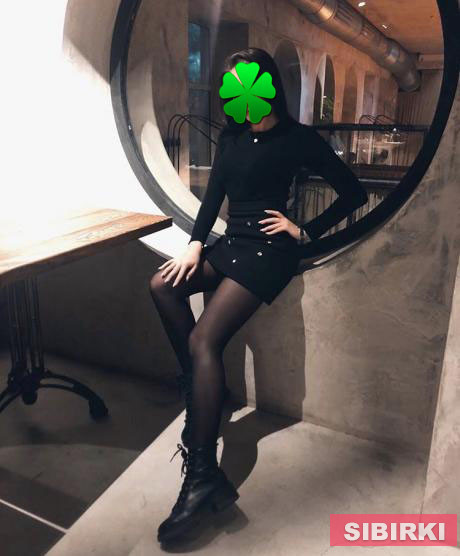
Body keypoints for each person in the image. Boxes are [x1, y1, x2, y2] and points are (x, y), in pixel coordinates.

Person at [149, 47, 368, 544]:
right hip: (232, 244)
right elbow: (212, 199)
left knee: (204, 340)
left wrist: (304, 230)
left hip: (270, 252)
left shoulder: (298, 138)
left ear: (267, 85)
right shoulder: (231, 137)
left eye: (245, 84)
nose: (238, 96)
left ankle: (201, 476)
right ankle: (201, 393)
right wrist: (195, 244)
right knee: (162, 285)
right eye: (231, 88)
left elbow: (352, 193)